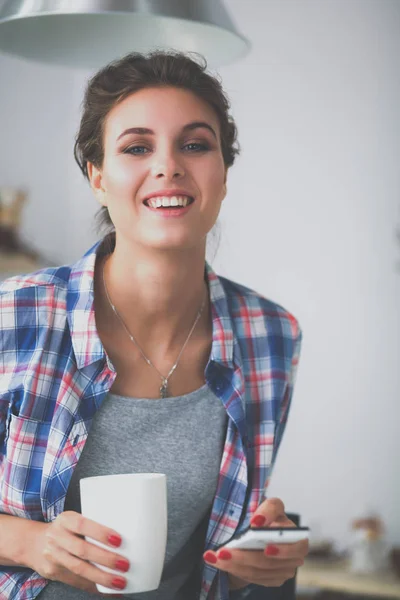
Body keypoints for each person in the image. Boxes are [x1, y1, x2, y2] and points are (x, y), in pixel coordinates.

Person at [0, 51, 307, 600]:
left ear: (223, 173)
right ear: (97, 178)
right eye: (137, 147)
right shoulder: (14, 315)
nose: (168, 166)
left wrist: (258, 558)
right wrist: (25, 542)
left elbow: (222, 547)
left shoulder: (271, 336)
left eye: (195, 144)